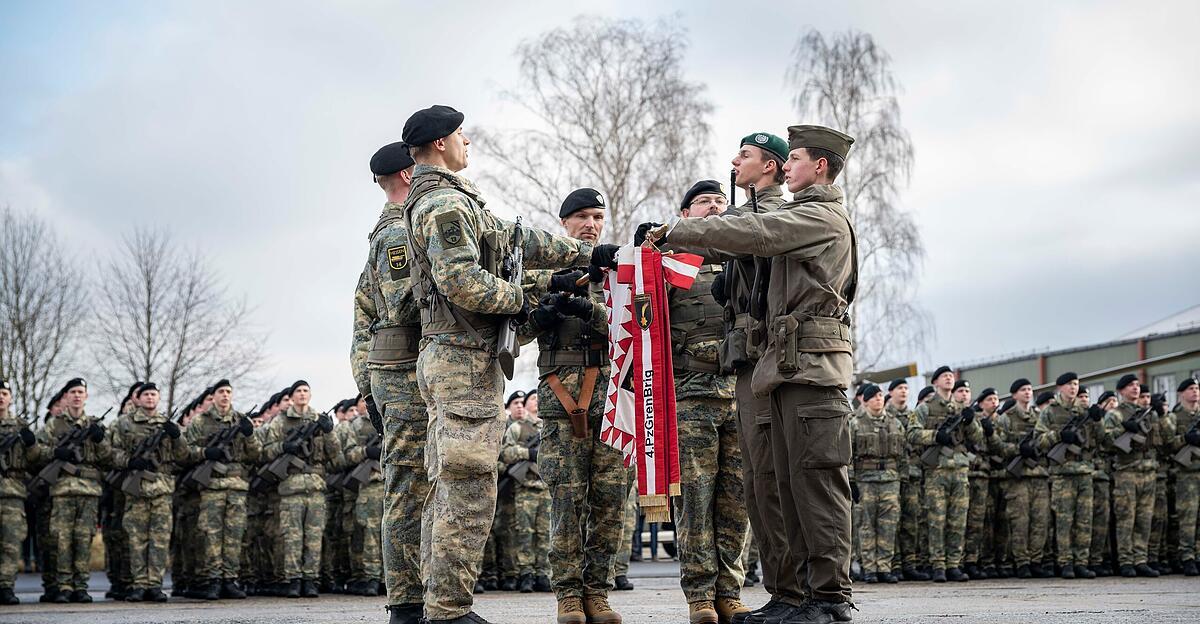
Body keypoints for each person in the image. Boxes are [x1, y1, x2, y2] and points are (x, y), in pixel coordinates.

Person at [400, 105, 617, 624]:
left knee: (453, 486)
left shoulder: (453, 200)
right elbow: (464, 282)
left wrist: (583, 260)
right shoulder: (445, 206)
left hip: (462, 358)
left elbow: (515, 240)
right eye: (459, 135)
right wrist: (529, 301)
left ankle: (442, 605)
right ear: (437, 145)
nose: (466, 141)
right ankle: (449, 612)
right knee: (468, 489)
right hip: (459, 359)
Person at [646, 124, 858, 623]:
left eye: (796, 158)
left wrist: (678, 231)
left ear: (819, 166)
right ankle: (790, 595)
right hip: (777, 364)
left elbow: (759, 233)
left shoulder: (818, 216)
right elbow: (742, 241)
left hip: (808, 363)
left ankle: (827, 599)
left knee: (814, 485)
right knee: (774, 486)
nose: (788, 167)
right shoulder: (794, 212)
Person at [517, 187, 628, 624]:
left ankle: (597, 592)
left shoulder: (619, 273)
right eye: (581, 216)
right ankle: (567, 593)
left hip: (615, 397)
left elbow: (641, 326)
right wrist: (538, 317)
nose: (590, 224)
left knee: (609, 500)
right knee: (566, 500)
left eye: (597, 216)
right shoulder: (542, 271)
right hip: (561, 399)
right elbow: (513, 329)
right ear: (563, 223)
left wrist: (596, 313)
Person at [715, 132, 806, 624]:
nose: (735, 161)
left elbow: (742, 233)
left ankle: (792, 591)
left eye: (744, 155)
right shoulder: (745, 213)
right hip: (747, 362)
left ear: (770, 166)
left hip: (770, 362)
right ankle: (782, 589)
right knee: (756, 481)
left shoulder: (774, 215)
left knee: (772, 479)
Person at [665, 179, 749, 624]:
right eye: (704, 202)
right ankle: (699, 594)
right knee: (695, 499)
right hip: (691, 395)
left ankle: (730, 590)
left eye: (721, 201)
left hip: (741, 395)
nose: (715, 207)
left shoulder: (745, 261)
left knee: (737, 498)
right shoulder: (671, 263)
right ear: (685, 213)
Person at [351, 140, 429, 623]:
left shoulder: (389, 232)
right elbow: (407, 306)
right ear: (406, 174)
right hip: (403, 370)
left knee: (412, 484)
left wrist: (364, 384)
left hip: (392, 372)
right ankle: (406, 601)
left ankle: (415, 597)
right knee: (408, 485)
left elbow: (360, 316)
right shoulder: (399, 234)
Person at [260, 380, 346, 598]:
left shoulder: (318, 420)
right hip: (291, 487)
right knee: (292, 536)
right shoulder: (281, 421)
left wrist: (329, 431)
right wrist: (284, 446)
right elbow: (266, 452)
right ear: (292, 395)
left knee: (314, 536)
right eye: (298, 391)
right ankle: (293, 579)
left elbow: (336, 456)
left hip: (316, 487)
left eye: (306, 390)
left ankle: (310, 579)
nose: (302, 394)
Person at [110, 383, 188, 602]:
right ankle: (138, 584)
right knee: (136, 540)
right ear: (138, 398)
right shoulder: (124, 423)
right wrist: (129, 460)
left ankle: (154, 584)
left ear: (159, 398)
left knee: (159, 540)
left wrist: (177, 437)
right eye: (146, 394)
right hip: (137, 490)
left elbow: (184, 456)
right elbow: (110, 452)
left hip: (162, 489)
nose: (150, 398)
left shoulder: (167, 424)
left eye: (154, 394)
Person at [182, 379, 260, 600]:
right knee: (212, 535)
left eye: (228, 392)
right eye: (221, 392)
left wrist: (249, 435)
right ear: (213, 396)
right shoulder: (200, 421)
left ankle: (230, 579)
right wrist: (205, 453)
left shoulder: (241, 420)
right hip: (212, 487)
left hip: (236, 488)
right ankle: (214, 580)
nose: (225, 395)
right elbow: (184, 452)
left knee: (234, 535)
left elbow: (256, 454)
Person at [908, 367, 984, 583]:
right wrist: (935, 436)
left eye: (951, 375)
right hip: (936, 471)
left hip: (959, 470)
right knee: (936, 520)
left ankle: (953, 564)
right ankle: (938, 565)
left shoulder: (962, 407)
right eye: (944, 376)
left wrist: (970, 421)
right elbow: (911, 433)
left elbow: (978, 437)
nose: (949, 378)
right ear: (935, 382)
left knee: (958, 521)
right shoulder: (925, 408)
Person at [1035, 372, 1098, 579]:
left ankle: (1081, 562)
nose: (1074, 388)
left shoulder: (1085, 411)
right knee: (1064, 521)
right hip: (1062, 474)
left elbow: (1102, 440)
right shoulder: (1050, 412)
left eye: (1076, 384)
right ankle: (1065, 563)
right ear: (1060, 387)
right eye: (1070, 384)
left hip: (1085, 472)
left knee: (1084, 520)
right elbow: (1038, 441)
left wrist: (1098, 420)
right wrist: (1058, 435)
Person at [1102, 374, 1164, 577]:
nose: (1135, 388)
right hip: (1126, 472)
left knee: (1144, 519)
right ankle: (1125, 560)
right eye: (1130, 385)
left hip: (1148, 471)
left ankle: (1140, 559)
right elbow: (1106, 442)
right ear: (1121, 391)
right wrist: (1123, 428)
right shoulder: (1116, 414)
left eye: (1137, 385)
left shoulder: (1148, 414)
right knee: (1126, 519)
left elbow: (1159, 440)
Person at [994, 378, 1052, 579]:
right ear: (1014, 394)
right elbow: (998, 446)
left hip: (1039, 475)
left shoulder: (1041, 416)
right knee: (1020, 521)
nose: (1028, 392)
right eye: (1023, 390)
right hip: (1017, 477)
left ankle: (1036, 560)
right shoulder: (1006, 418)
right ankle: (1022, 562)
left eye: (1030, 389)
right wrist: (1018, 449)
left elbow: (1048, 440)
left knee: (1040, 520)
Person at [849, 384, 904, 584]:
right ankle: (869, 568)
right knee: (866, 526)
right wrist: (851, 481)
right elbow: (848, 456)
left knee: (888, 526)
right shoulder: (855, 423)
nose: (878, 399)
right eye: (874, 396)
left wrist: (902, 480)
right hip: (865, 482)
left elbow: (903, 456)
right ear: (865, 401)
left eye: (881, 396)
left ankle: (884, 567)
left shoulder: (895, 423)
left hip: (890, 481)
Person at [0, 379, 40, 605]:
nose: (1, 397)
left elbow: (36, 460)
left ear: (10, 398)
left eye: (4, 393)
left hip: (13, 493)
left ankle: (6, 586)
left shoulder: (20, 426)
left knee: (11, 543)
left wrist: (32, 444)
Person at [886, 379, 929, 581]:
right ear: (891, 392)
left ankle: (909, 564)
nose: (903, 392)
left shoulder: (913, 417)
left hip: (912, 475)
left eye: (906, 388)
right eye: (899, 388)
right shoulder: (883, 415)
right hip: (891, 476)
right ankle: (893, 564)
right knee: (891, 522)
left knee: (911, 521)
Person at [1171, 378, 1200, 576]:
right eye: (1191, 389)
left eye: (1197, 388)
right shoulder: (1174, 417)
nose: (1195, 392)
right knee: (1188, 518)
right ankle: (1187, 557)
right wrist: (1184, 439)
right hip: (1187, 474)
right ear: (1181, 393)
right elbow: (1165, 444)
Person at [1089, 390, 1118, 576]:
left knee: (1109, 521)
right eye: (1109, 401)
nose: (1113, 404)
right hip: (1097, 475)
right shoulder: (1096, 420)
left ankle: (1108, 558)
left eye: (1115, 400)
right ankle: (1095, 558)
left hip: (1112, 474)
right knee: (1096, 520)